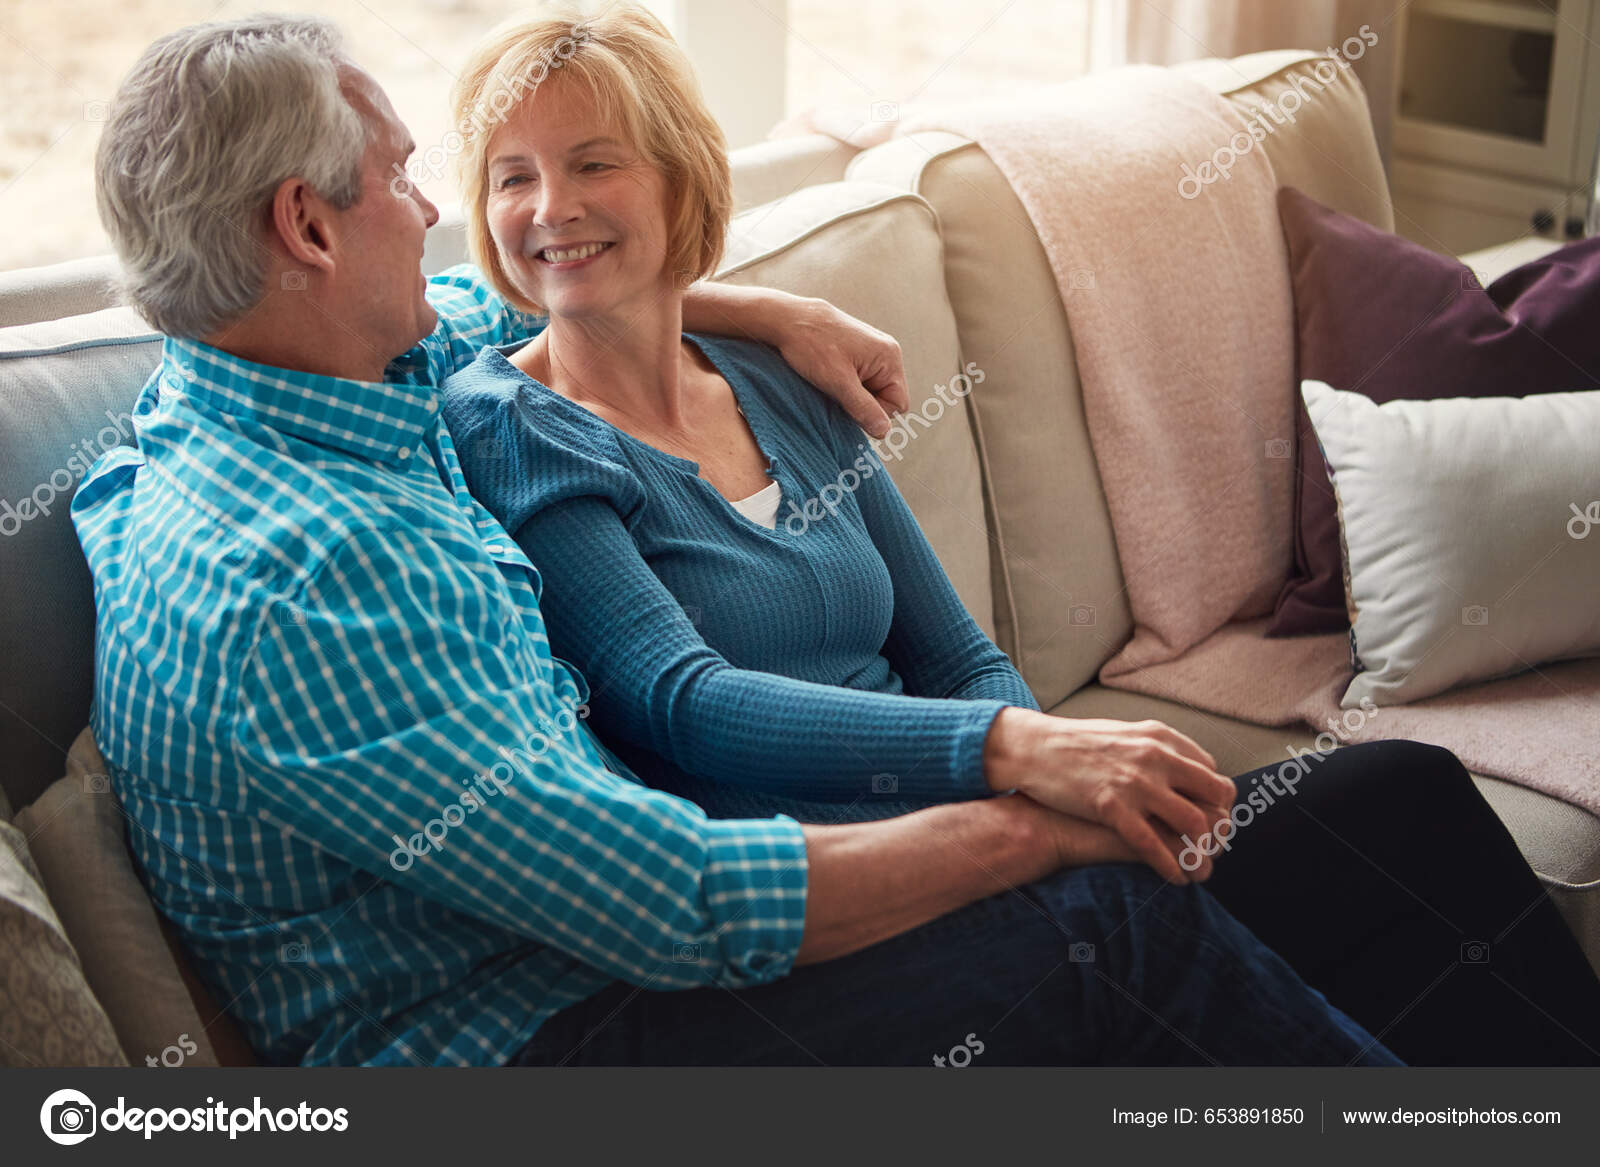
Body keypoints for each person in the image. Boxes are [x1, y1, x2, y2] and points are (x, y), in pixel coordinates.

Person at [73, 12, 1399, 1068]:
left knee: (1387, 801)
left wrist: (755, 308)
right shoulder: (311, 578)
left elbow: (515, 292)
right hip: (543, 1036)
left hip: (619, 954)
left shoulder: (269, 393)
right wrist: (1034, 823)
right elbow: (678, 896)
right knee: (1110, 915)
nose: (432, 214)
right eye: (407, 182)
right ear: (304, 228)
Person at [442, 5, 1600, 1066]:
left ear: (677, 175)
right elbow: (680, 700)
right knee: (1156, 928)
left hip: (994, 821)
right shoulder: (514, 427)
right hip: (851, 902)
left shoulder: (773, 376)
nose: (552, 207)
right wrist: (1016, 764)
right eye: (512, 178)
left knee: (1400, 792)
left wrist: (1066, 785)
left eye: (595, 163)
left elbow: (954, 652)